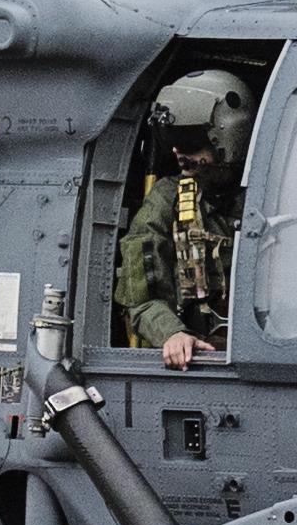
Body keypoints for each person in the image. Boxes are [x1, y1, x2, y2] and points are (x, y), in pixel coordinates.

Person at [108, 60, 255, 364]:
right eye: (172, 141)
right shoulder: (167, 199)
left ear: (229, 137)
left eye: (189, 140)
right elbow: (140, 297)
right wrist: (171, 334)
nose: (178, 153)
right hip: (199, 361)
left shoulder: (269, 196)